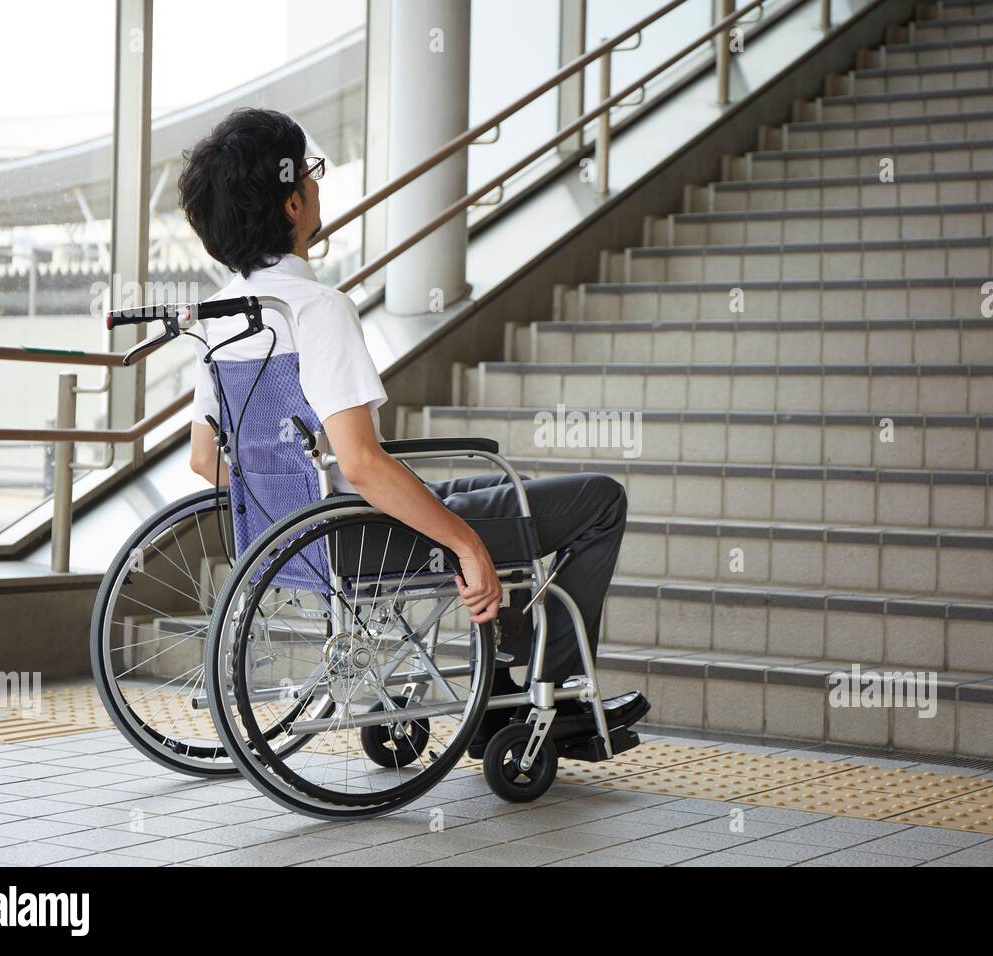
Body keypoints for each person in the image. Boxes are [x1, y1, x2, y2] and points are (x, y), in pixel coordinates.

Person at [179, 108, 647, 753]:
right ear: (292, 204)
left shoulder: (217, 318)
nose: (317, 187)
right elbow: (365, 465)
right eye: (311, 176)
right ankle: (555, 697)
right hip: (360, 536)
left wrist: (290, 507)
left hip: (298, 539)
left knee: (498, 493)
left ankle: (501, 679)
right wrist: (465, 547)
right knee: (598, 500)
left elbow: (208, 460)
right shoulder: (319, 311)